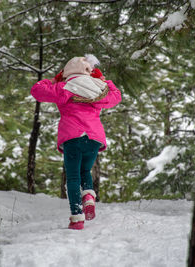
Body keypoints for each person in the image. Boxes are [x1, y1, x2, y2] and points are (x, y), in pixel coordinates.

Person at [31, 55, 121, 230]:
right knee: (85, 170)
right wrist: (104, 80)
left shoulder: (63, 87)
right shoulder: (99, 88)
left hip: (72, 137)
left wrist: (52, 80)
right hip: (94, 138)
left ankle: (77, 218)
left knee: (73, 177)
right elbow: (116, 97)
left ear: (66, 72)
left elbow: (37, 90)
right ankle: (88, 196)